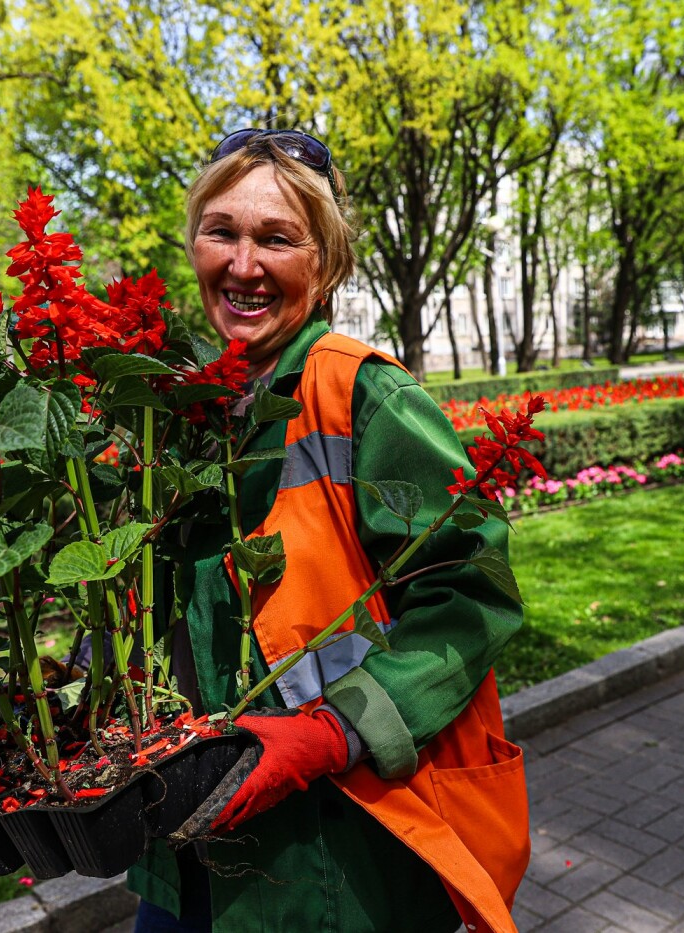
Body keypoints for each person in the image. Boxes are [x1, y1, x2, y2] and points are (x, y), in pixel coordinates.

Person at [127, 129, 529, 932]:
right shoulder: (183, 415)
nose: (244, 265)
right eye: (222, 231)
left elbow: (470, 594)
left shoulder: (365, 394)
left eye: (277, 238)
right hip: (184, 859)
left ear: (328, 262)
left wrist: (330, 731)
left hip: (333, 855)